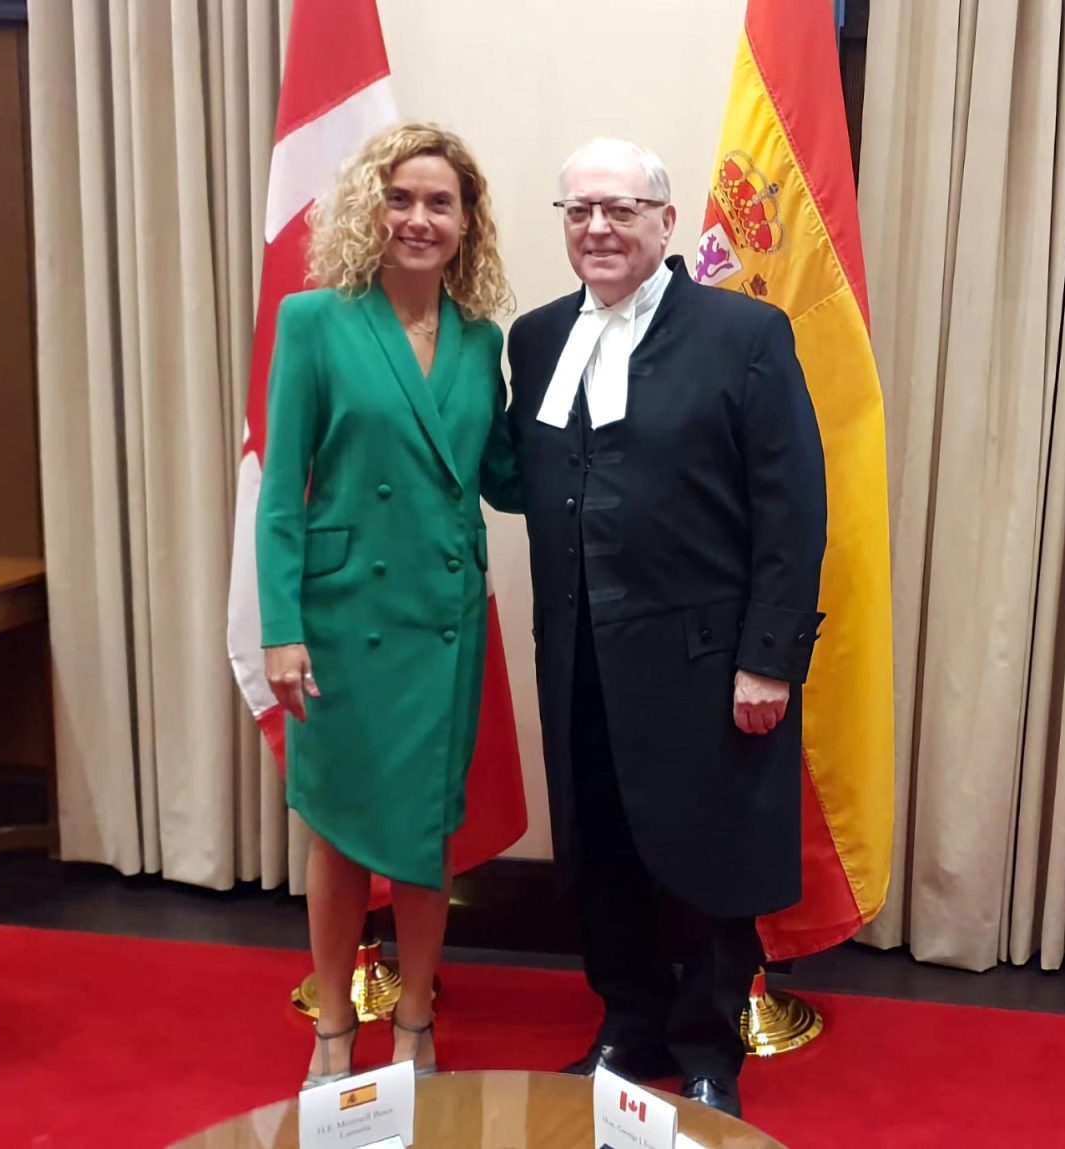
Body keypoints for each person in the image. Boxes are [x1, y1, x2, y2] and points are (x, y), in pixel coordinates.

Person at [503, 138, 827, 1119]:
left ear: (665, 221)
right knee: (601, 849)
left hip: (705, 660)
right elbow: (523, 475)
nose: (598, 228)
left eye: (621, 209)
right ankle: (625, 1020)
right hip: (581, 658)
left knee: (711, 853)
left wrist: (768, 660)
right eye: (579, 211)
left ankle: (705, 1047)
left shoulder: (745, 333)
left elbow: (793, 508)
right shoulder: (536, 337)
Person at [256, 122, 522, 1088]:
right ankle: (334, 1025)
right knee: (334, 824)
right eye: (401, 198)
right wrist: (280, 628)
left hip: (441, 619)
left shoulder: (482, 339)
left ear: (465, 222)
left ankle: (414, 1020)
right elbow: (284, 490)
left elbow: (501, 474)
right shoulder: (314, 320)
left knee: (424, 830)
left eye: (439, 202)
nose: (418, 217)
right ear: (374, 207)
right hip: (340, 622)